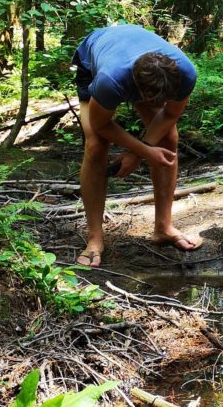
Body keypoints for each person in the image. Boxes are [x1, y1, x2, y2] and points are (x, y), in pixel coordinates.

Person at [72, 24, 200, 267]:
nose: (160, 104)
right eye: (154, 100)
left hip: (137, 60)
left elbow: (170, 116)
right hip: (94, 57)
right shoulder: (110, 81)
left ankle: (164, 227)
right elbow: (101, 125)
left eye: (164, 98)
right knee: (96, 146)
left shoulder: (185, 73)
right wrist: (142, 151)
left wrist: (137, 153)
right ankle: (95, 238)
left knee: (168, 138)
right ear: (137, 90)